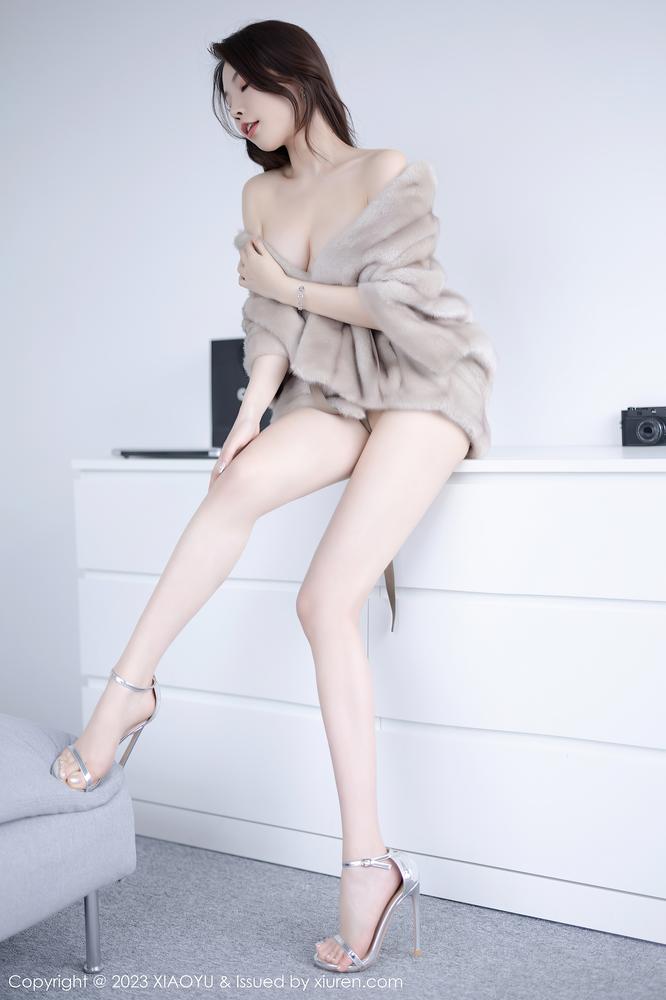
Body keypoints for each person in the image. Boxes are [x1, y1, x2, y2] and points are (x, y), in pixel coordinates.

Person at [51, 18, 496, 975]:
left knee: (323, 601)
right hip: (328, 390)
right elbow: (268, 323)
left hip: (422, 383)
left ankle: (368, 865)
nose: (238, 110)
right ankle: (127, 697)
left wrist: (287, 284)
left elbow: (399, 311)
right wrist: (249, 414)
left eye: (247, 88)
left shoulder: (385, 171)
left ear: (296, 77)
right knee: (238, 481)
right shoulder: (260, 192)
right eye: (228, 99)